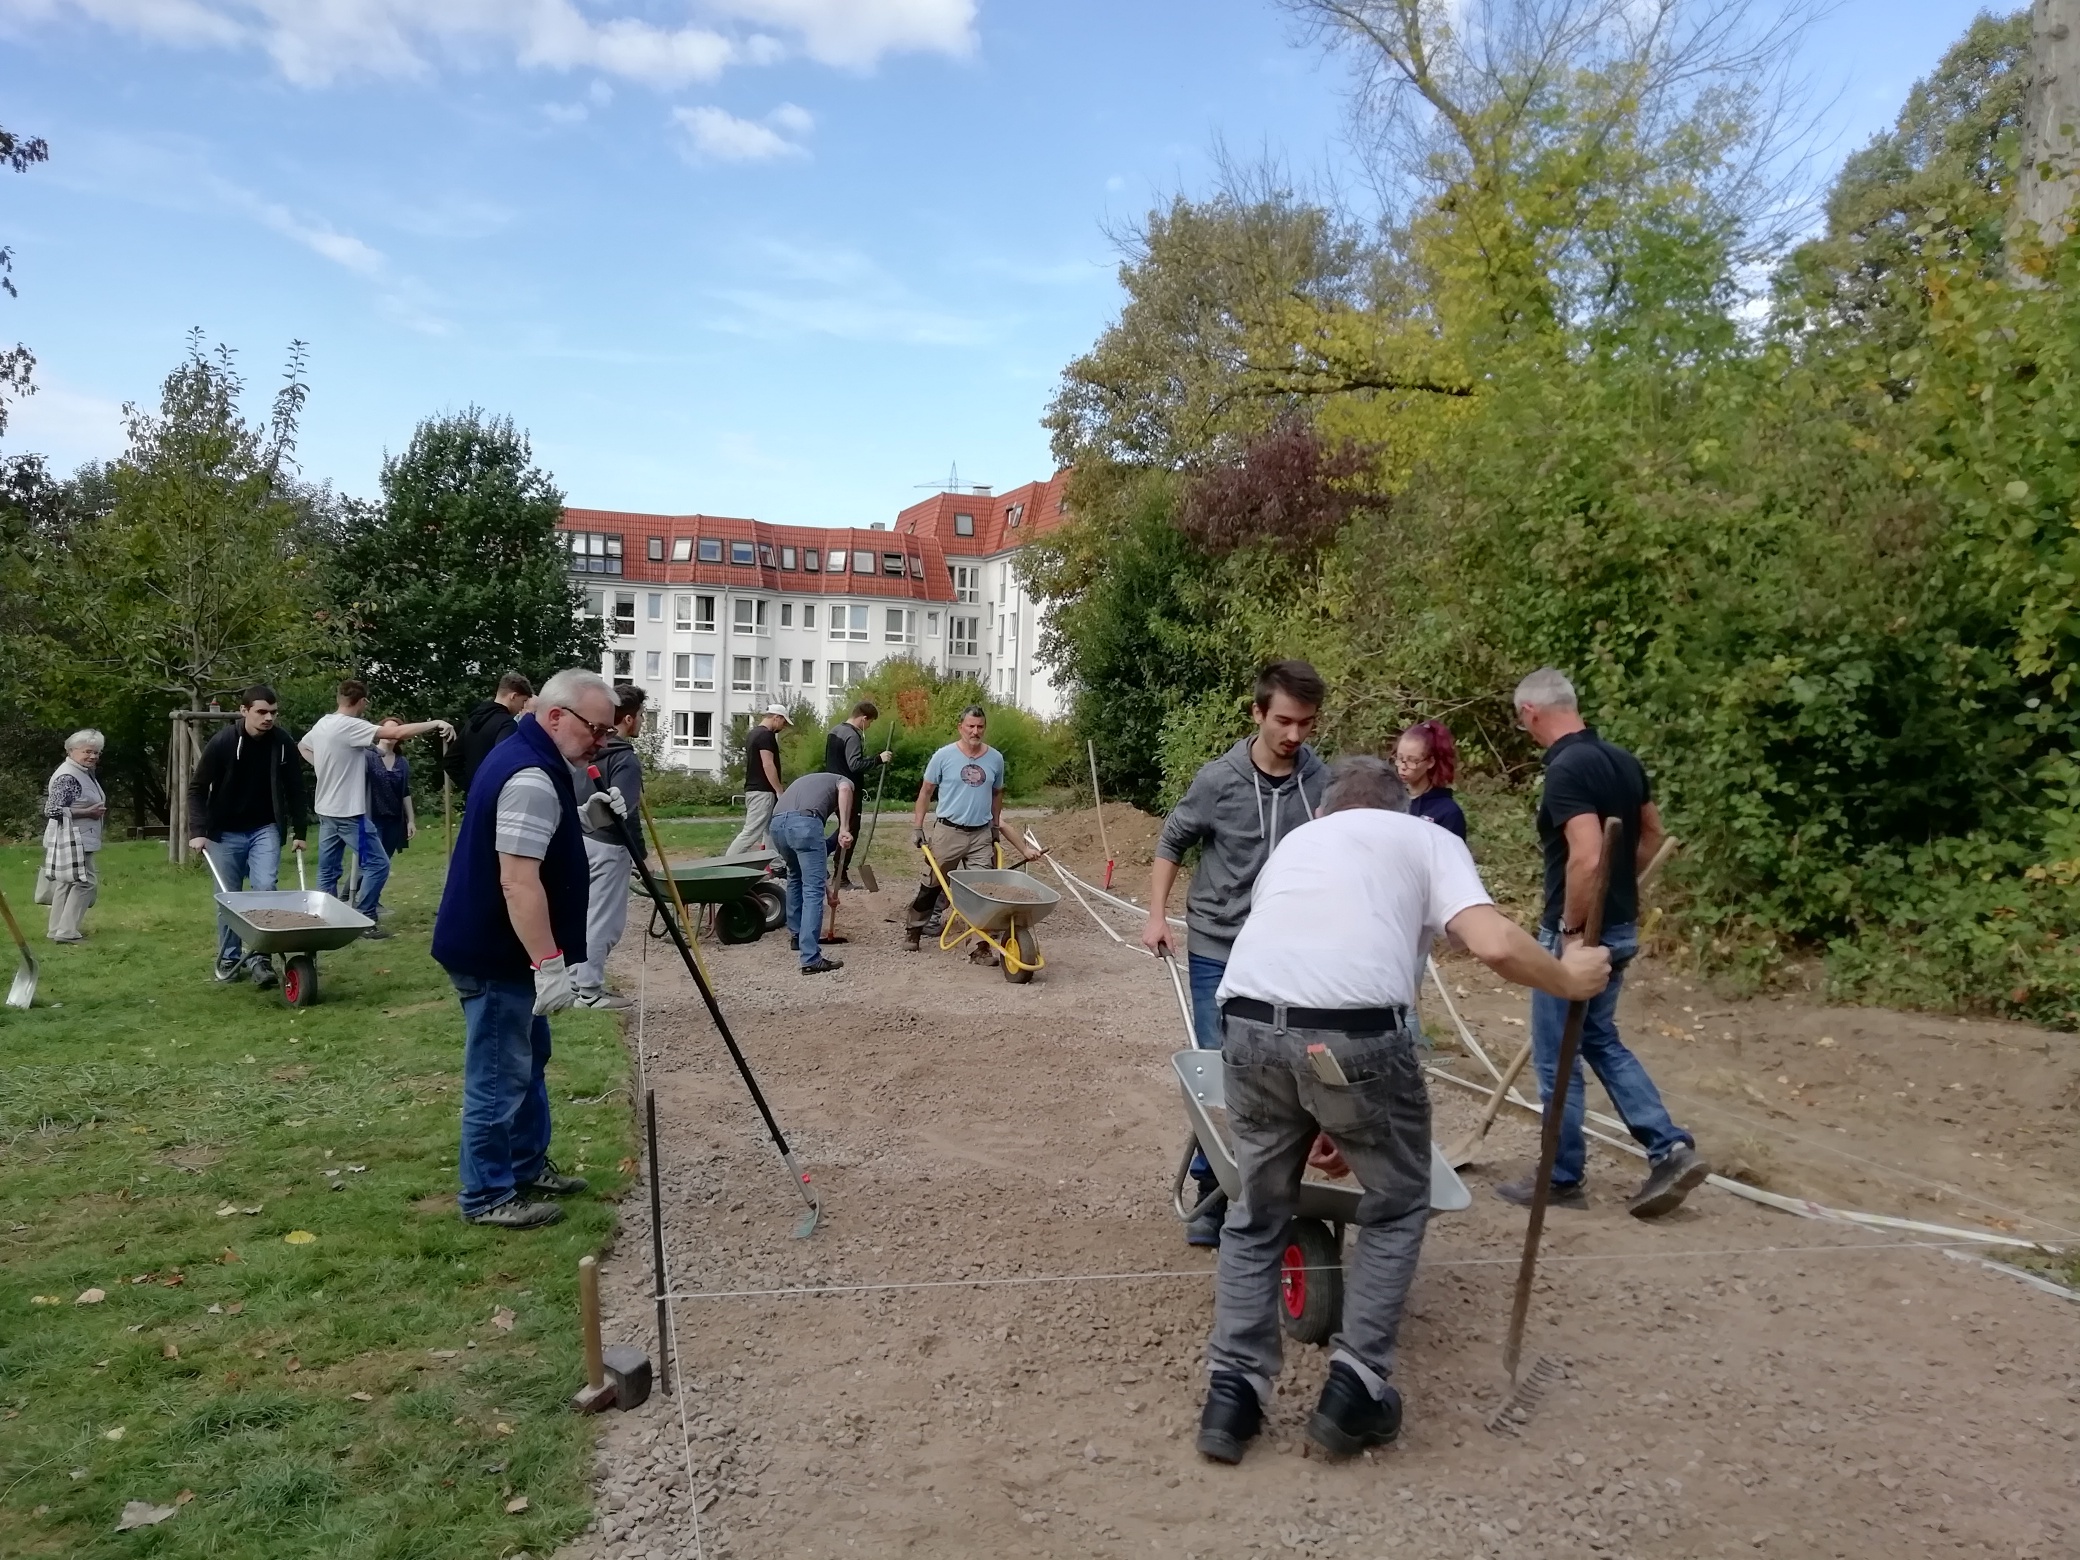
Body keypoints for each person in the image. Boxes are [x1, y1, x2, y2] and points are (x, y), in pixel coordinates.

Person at [1194, 755, 1612, 1465]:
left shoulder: (1297, 843)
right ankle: (1355, 1387)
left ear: (1327, 810)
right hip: (1357, 1036)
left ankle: (1231, 1397)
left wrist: (1323, 1112)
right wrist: (1569, 978)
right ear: (1402, 809)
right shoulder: (1426, 838)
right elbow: (1491, 942)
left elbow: (1303, 968)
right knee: (1394, 1201)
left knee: (1256, 1211)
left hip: (1248, 1025)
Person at [1506, 667, 1708, 1218]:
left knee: (1558, 1057)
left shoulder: (1567, 769)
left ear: (1531, 714)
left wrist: (1572, 932)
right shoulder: (1622, 760)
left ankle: (1562, 1176)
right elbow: (1651, 835)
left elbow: (1588, 855)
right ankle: (1669, 1147)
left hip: (1580, 934)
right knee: (1598, 1038)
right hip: (1620, 926)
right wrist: (1621, 889)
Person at [1143, 661, 1331, 1246]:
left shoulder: (1320, 781)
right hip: (1220, 945)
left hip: (1290, 952)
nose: (1294, 735)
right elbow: (1172, 840)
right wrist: (1155, 915)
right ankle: (1211, 1191)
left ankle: (1271, 1190)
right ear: (1257, 714)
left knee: (1291, 1071)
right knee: (1220, 1069)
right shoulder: (1217, 780)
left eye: (1305, 723)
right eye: (1283, 721)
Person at [432, 668, 623, 1230]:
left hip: (504, 949)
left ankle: (525, 1165)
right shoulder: (531, 776)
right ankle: (488, 1195)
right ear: (557, 716)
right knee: (498, 1074)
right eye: (597, 728)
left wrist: (582, 816)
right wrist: (548, 963)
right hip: (497, 953)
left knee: (529, 1060)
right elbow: (518, 881)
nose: (603, 740)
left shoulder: (532, 755)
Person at [300, 679, 453, 939]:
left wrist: (322, 768)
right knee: (378, 864)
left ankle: (325, 920)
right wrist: (436, 723)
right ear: (362, 702)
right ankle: (365, 919)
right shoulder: (350, 725)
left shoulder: (323, 723)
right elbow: (396, 734)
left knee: (328, 869)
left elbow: (303, 746)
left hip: (325, 811)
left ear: (339, 698)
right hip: (349, 814)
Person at [188, 685, 309, 986]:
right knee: (228, 899)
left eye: (273, 712)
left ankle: (260, 958)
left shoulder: (281, 742)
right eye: (261, 712)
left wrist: (300, 830)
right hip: (224, 831)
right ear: (244, 711)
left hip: (264, 827)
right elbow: (197, 789)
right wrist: (198, 832)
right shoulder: (223, 742)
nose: (268, 718)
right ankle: (230, 956)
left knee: (265, 887)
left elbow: (296, 787)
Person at [904, 705, 1006, 956]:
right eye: (970, 726)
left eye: (980, 726)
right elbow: (926, 792)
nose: (975, 731)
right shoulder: (944, 756)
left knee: (983, 889)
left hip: (980, 834)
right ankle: (914, 929)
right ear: (960, 727)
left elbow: (997, 794)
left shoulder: (995, 758)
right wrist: (918, 827)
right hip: (949, 831)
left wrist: (995, 825)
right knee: (932, 884)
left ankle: (980, 947)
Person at [571, 683, 647, 1010]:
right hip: (608, 847)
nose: (643, 721)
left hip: (579, 840)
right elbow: (623, 813)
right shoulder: (625, 759)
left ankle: (575, 984)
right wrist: (640, 856)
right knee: (605, 921)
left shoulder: (583, 751)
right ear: (628, 719)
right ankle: (588, 991)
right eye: (642, 715)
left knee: (582, 915)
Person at [766, 768, 855, 976]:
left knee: (795, 878)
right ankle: (811, 958)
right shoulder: (844, 780)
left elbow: (813, 863)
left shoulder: (809, 781)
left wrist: (829, 892)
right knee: (812, 889)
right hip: (805, 823)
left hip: (778, 825)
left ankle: (797, 936)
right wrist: (844, 827)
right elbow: (844, 789)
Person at [40, 729, 108, 944]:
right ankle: (67, 932)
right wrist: (88, 813)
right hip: (74, 838)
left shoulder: (80, 771)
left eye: (97, 752)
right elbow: (52, 810)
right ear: (71, 751)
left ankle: (56, 930)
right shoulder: (69, 776)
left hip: (74, 837)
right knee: (84, 882)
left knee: (66, 883)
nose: (93, 756)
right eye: (88, 751)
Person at [823, 700, 891, 888]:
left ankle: (823, 851)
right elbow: (855, 764)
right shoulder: (852, 735)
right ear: (863, 718)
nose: (868, 727)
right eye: (869, 723)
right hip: (848, 789)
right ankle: (840, 877)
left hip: (832, 786)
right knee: (850, 830)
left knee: (843, 828)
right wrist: (878, 759)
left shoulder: (834, 731)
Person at [449, 672, 532, 791]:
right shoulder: (507, 724)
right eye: (523, 701)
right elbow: (504, 761)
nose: (523, 707)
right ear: (513, 696)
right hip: (495, 798)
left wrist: (472, 788)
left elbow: (450, 761)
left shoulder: (473, 721)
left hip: (473, 801)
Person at [729, 704, 790, 856]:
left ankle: (775, 864)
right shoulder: (765, 736)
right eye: (784, 722)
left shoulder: (753, 733)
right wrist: (778, 790)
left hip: (754, 789)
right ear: (777, 717)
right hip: (762, 791)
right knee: (751, 832)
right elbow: (768, 764)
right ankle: (725, 863)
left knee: (770, 830)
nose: (783, 727)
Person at [1394, 719, 1467, 839]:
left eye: (1413, 760)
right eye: (1400, 758)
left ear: (1430, 762)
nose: (1402, 767)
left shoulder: (1447, 812)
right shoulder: (1390, 800)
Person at [365, 735, 414, 907]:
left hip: (394, 818)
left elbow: (405, 792)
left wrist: (411, 820)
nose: (391, 733)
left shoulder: (402, 762)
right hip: (371, 816)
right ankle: (354, 897)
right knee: (372, 862)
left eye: (396, 730)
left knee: (384, 861)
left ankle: (372, 899)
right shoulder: (368, 756)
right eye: (388, 728)